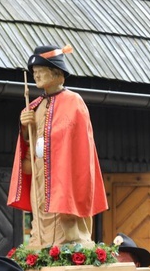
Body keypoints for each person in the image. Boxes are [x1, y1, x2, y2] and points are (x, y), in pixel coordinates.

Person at [7, 44, 108, 247]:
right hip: (39, 170)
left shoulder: (73, 101)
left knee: (62, 214)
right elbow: (29, 143)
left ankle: (65, 245)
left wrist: (50, 138)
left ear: (55, 73)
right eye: (34, 73)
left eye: (40, 72)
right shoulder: (35, 105)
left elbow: (77, 142)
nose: (36, 76)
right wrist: (26, 127)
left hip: (63, 173)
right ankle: (41, 243)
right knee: (41, 209)